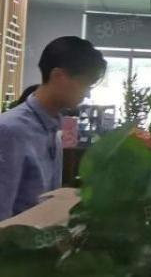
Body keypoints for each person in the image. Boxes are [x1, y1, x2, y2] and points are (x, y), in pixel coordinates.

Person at [0, 36, 106, 221]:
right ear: (58, 77)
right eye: (84, 83)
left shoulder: (53, 129)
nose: (87, 94)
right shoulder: (10, 130)